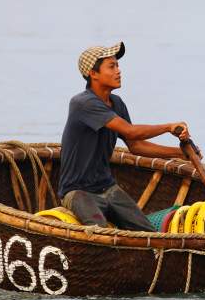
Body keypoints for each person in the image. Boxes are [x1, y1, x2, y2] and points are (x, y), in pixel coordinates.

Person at [58, 41, 194, 231]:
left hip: (107, 187)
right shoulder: (83, 103)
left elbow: (136, 145)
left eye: (118, 66)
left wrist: (179, 154)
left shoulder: (116, 103)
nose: (118, 71)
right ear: (93, 74)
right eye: (111, 66)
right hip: (78, 191)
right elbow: (130, 131)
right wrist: (168, 127)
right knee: (101, 232)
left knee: (149, 234)